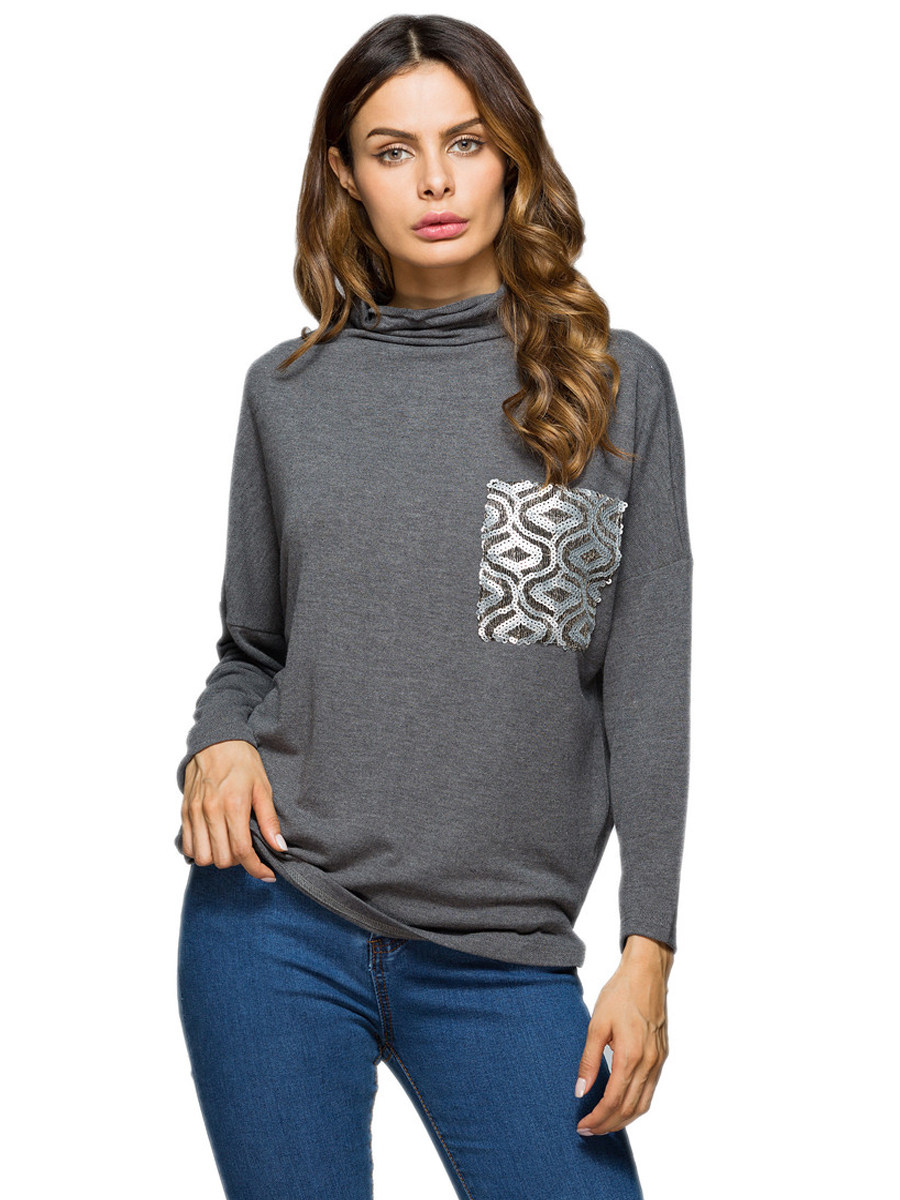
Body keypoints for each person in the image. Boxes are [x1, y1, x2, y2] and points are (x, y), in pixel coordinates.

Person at [174, 14, 692, 1200]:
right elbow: (252, 649)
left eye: (465, 141)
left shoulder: (616, 384)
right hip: (274, 922)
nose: (436, 181)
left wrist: (648, 950)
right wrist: (217, 744)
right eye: (392, 150)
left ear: (512, 156)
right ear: (346, 176)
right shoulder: (288, 391)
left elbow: (648, 682)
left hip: (503, 955)